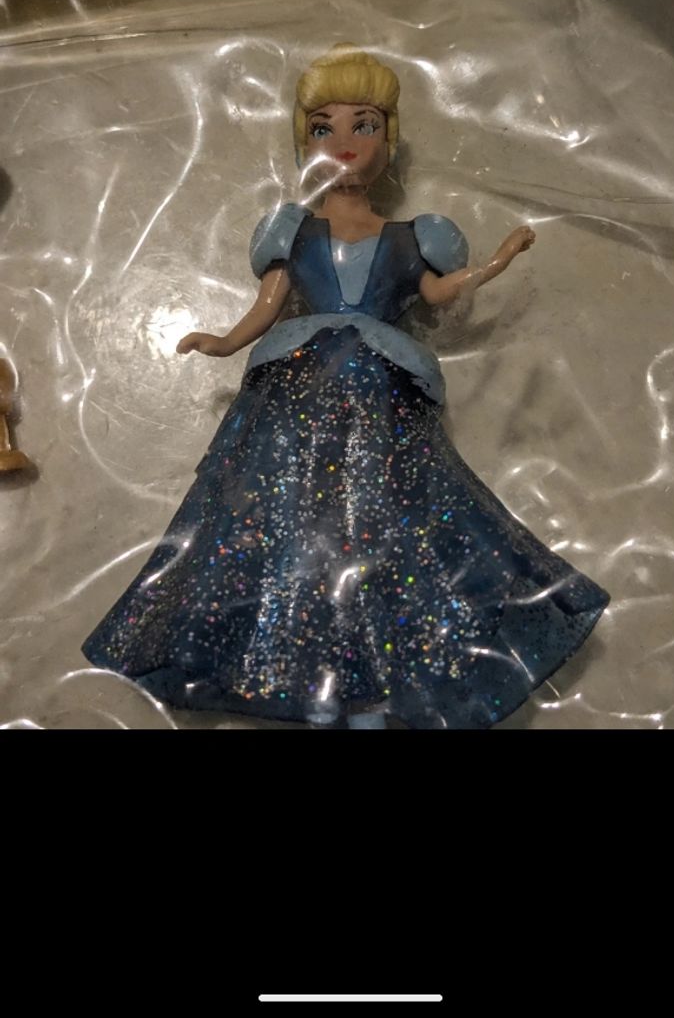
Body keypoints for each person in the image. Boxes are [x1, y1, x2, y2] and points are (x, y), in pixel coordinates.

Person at [82, 43, 609, 728]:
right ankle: (301, 666)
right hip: (296, 386)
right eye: (323, 127)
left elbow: (441, 293)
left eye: (365, 124)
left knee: (387, 519)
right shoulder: (293, 230)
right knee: (274, 518)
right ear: (305, 143)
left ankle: (374, 678)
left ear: (389, 138)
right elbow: (268, 306)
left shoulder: (414, 235)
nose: (346, 141)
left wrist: (497, 262)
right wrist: (223, 341)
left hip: (381, 389)